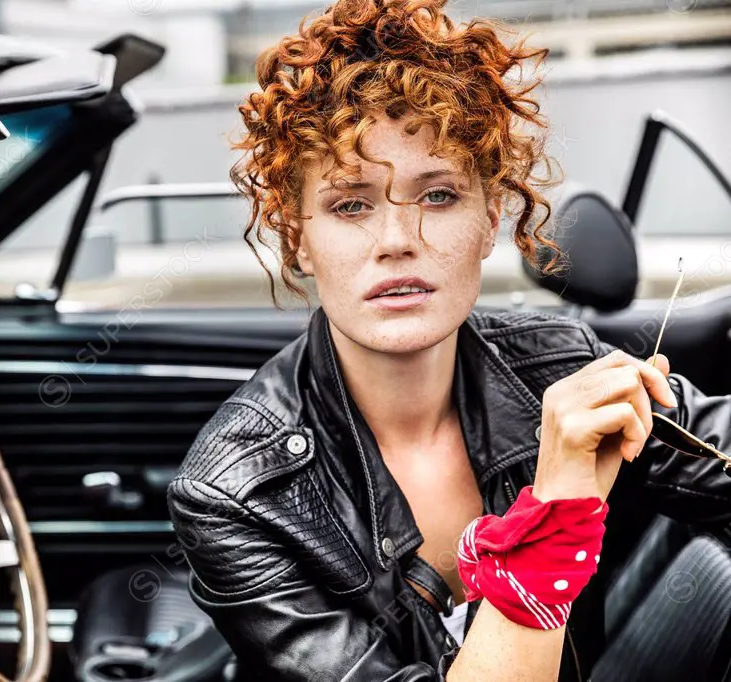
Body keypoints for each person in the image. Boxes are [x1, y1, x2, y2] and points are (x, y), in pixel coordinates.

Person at [166, 0, 731, 680]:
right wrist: (552, 514)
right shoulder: (236, 492)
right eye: (351, 204)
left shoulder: (561, 367)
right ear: (298, 239)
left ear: (490, 218)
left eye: (437, 196)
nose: (398, 241)